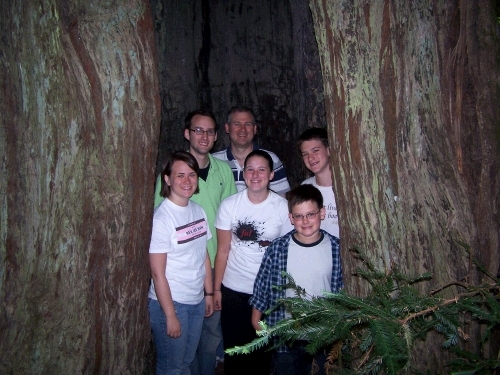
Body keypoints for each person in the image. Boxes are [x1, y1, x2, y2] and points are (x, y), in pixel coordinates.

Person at [154, 110, 237, 375]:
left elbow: (227, 223)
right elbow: (159, 262)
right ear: (187, 133)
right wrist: (168, 313)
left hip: (210, 274)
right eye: (198, 130)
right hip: (175, 289)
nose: (204, 136)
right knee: (175, 360)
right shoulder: (165, 208)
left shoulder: (220, 174)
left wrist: (212, 289)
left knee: (203, 347)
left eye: (210, 131)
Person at [213, 150, 294, 375]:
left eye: (262, 169)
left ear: (270, 175)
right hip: (234, 288)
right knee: (235, 352)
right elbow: (222, 250)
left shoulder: (282, 207)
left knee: (262, 353)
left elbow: (287, 254)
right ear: (243, 173)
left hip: (269, 291)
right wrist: (216, 289)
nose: (255, 174)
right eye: (250, 169)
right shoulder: (229, 205)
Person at [249, 184, 344, 375]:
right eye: (299, 216)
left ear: (322, 213)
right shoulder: (277, 249)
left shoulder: (336, 249)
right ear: (291, 218)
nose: (305, 221)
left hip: (323, 337)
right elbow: (262, 287)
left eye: (311, 214)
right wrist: (256, 321)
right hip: (286, 339)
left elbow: (342, 291)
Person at [148, 151, 214, 375]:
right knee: (171, 368)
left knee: (186, 362)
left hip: (195, 301)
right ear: (167, 179)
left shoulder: (198, 210)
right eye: (180, 175)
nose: (187, 181)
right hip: (172, 302)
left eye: (192, 175)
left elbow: (203, 254)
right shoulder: (162, 218)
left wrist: (208, 294)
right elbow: (158, 274)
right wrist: (170, 315)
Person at [212, 105, 290, 195]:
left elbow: (282, 199)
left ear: (255, 129)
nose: (243, 129)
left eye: (247, 124)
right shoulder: (214, 161)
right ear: (227, 128)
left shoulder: (271, 159)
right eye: (237, 124)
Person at [298, 127, 340, 238]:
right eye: (305, 154)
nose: (311, 158)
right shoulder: (305, 187)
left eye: (315, 151)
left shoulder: (348, 187)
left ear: (328, 150)